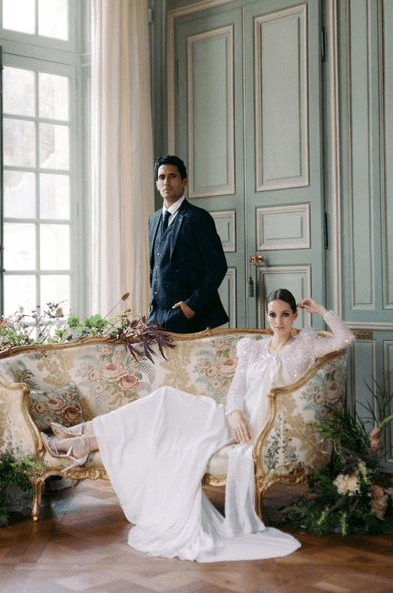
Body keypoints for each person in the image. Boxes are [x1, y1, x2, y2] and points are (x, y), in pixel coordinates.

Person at [42, 289, 355, 562]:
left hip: (259, 428)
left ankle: (82, 436)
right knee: (163, 400)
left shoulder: (306, 345)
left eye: (285, 315)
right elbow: (237, 389)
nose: (279, 322)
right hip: (229, 417)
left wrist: (323, 311)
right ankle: (84, 435)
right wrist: (233, 412)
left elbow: (345, 339)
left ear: (295, 315)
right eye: (273, 315)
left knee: (161, 412)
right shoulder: (253, 347)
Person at [147, 155, 229, 333]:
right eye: (162, 177)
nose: (166, 182)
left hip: (189, 315)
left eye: (173, 176)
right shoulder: (153, 219)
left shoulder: (198, 218)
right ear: (156, 184)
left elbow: (217, 266)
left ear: (184, 181)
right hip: (157, 316)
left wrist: (192, 305)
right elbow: (155, 265)